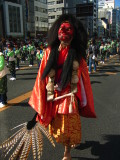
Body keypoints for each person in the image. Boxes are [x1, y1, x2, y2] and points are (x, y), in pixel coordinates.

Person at [29, 14, 96, 160]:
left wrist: (82, 98)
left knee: (69, 125)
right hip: (54, 95)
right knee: (57, 128)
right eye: (63, 37)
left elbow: (84, 77)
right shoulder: (49, 52)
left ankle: (67, 152)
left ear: (73, 38)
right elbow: (42, 76)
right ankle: (67, 145)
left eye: (69, 38)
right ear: (58, 35)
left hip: (70, 95)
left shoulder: (77, 55)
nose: (65, 41)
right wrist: (41, 100)